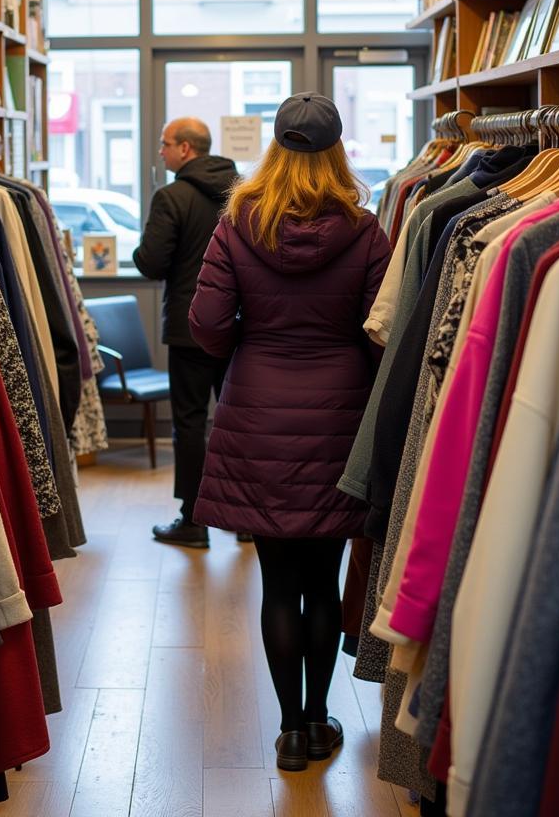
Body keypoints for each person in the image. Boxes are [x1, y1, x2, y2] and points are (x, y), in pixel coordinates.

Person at [188, 93, 391, 772]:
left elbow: (208, 325)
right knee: (324, 583)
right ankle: (317, 717)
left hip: (256, 411)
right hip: (340, 417)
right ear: (338, 151)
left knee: (277, 581)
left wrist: (257, 340)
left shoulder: (236, 224)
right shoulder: (366, 231)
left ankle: (288, 732)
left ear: (274, 146)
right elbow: (382, 334)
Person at [132, 117, 241, 549]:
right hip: (238, 323)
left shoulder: (171, 197)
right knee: (236, 420)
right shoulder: (243, 194)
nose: (160, 152)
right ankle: (245, 518)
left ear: (185, 150)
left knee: (190, 422)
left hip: (189, 327)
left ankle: (193, 521)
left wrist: (143, 250)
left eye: (164, 144)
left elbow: (152, 262)